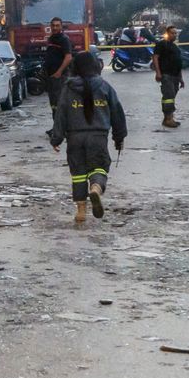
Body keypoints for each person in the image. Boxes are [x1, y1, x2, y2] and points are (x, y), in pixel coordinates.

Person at [49, 50, 126, 224]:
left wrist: (56, 138)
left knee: (78, 174)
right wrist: (119, 137)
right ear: (95, 66)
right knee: (99, 167)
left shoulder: (68, 88)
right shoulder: (105, 87)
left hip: (75, 138)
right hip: (98, 137)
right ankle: (96, 188)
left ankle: (81, 212)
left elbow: (61, 113)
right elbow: (117, 113)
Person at [152, 24, 185, 128]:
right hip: (166, 75)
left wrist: (181, 78)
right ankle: (168, 119)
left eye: (176, 33)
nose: (174, 35)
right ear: (167, 33)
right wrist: (158, 73)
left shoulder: (175, 47)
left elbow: (178, 63)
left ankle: (168, 118)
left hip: (175, 76)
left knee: (171, 97)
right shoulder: (162, 44)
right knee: (169, 97)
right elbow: (155, 58)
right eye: (172, 33)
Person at [44, 17, 75, 107]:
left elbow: (68, 57)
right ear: (50, 26)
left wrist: (59, 72)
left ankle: (60, 116)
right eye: (53, 25)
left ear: (61, 26)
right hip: (51, 76)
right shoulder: (51, 39)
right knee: (53, 101)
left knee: (60, 101)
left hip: (61, 76)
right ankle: (55, 116)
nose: (55, 28)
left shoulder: (64, 39)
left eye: (57, 25)